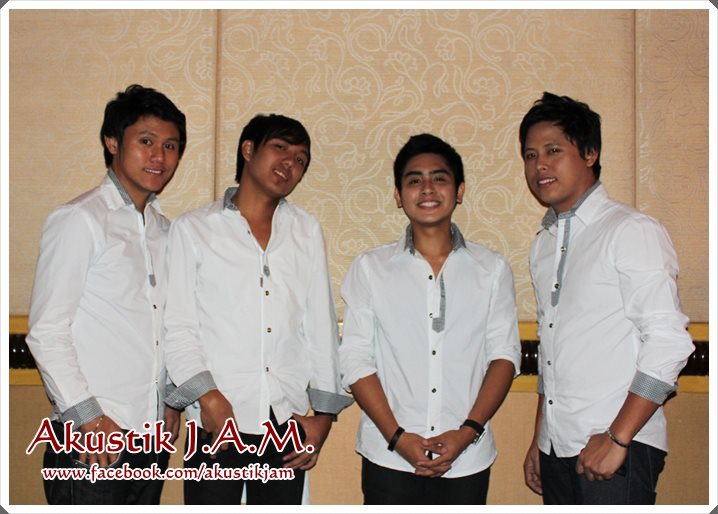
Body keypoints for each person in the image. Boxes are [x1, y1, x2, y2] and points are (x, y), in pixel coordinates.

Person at [162, 114, 352, 505]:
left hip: (285, 421)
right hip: (216, 420)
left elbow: (319, 325)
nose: (290, 163)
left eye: (300, 159)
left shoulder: (304, 229)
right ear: (248, 150)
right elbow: (178, 327)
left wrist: (323, 418)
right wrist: (209, 398)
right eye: (280, 148)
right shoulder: (194, 229)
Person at [519, 92, 695, 504]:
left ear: (590, 153)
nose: (539, 164)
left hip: (617, 445)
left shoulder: (630, 230)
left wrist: (618, 437)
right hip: (557, 447)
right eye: (529, 155)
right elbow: (551, 349)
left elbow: (669, 342)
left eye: (553, 151)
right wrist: (541, 437)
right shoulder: (543, 244)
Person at [339, 133, 521, 505]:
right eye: (414, 180)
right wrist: (397, 438)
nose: (427, 188)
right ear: (398, 195)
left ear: (459, 190)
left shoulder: (491, 269)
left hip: (467, 458)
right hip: (388, 456)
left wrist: (467, 433)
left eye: (439, 178)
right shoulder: (371, 268)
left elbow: (504, 356)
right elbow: (355, 359)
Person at [26, 84, 187, 504]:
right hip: (92, 442)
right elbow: (46, 332)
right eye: (146, 141)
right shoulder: (80, 220)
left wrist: (171, 401)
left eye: (171, 146)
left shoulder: (166, 231)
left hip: (150, 441)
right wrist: (89, 419)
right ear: (112, 142)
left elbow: (166, 327)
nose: (159, 156)